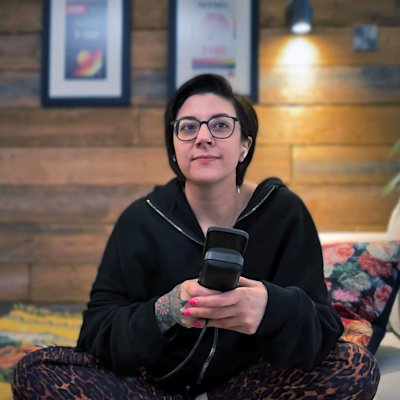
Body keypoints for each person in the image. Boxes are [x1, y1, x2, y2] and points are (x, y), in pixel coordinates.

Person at [12, 74, 380, 400]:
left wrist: (270, 308)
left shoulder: (284, 213)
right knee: (34, 370)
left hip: (248, 388)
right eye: (187, 127)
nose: (202, 137)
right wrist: (166, 310)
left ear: (244, 145)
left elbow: (321, 332)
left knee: (356, 367)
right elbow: (94, 336)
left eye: (220, 125)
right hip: (152, 389)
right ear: (175, 147)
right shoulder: (140, 220)